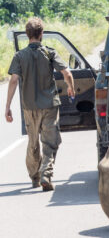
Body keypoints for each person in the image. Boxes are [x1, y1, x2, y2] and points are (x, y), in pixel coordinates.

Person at [5, 17, 75, 191]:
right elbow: (67, 73)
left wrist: (7, 107)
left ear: (27, 34)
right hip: (50, 105)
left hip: (29, 107)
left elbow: (13, 81)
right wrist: (70, 88)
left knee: (33, 142)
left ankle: (35, 177)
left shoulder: (19, 56)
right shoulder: (50, 53)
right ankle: (46, 174)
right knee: (50, 142)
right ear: (41, 33)